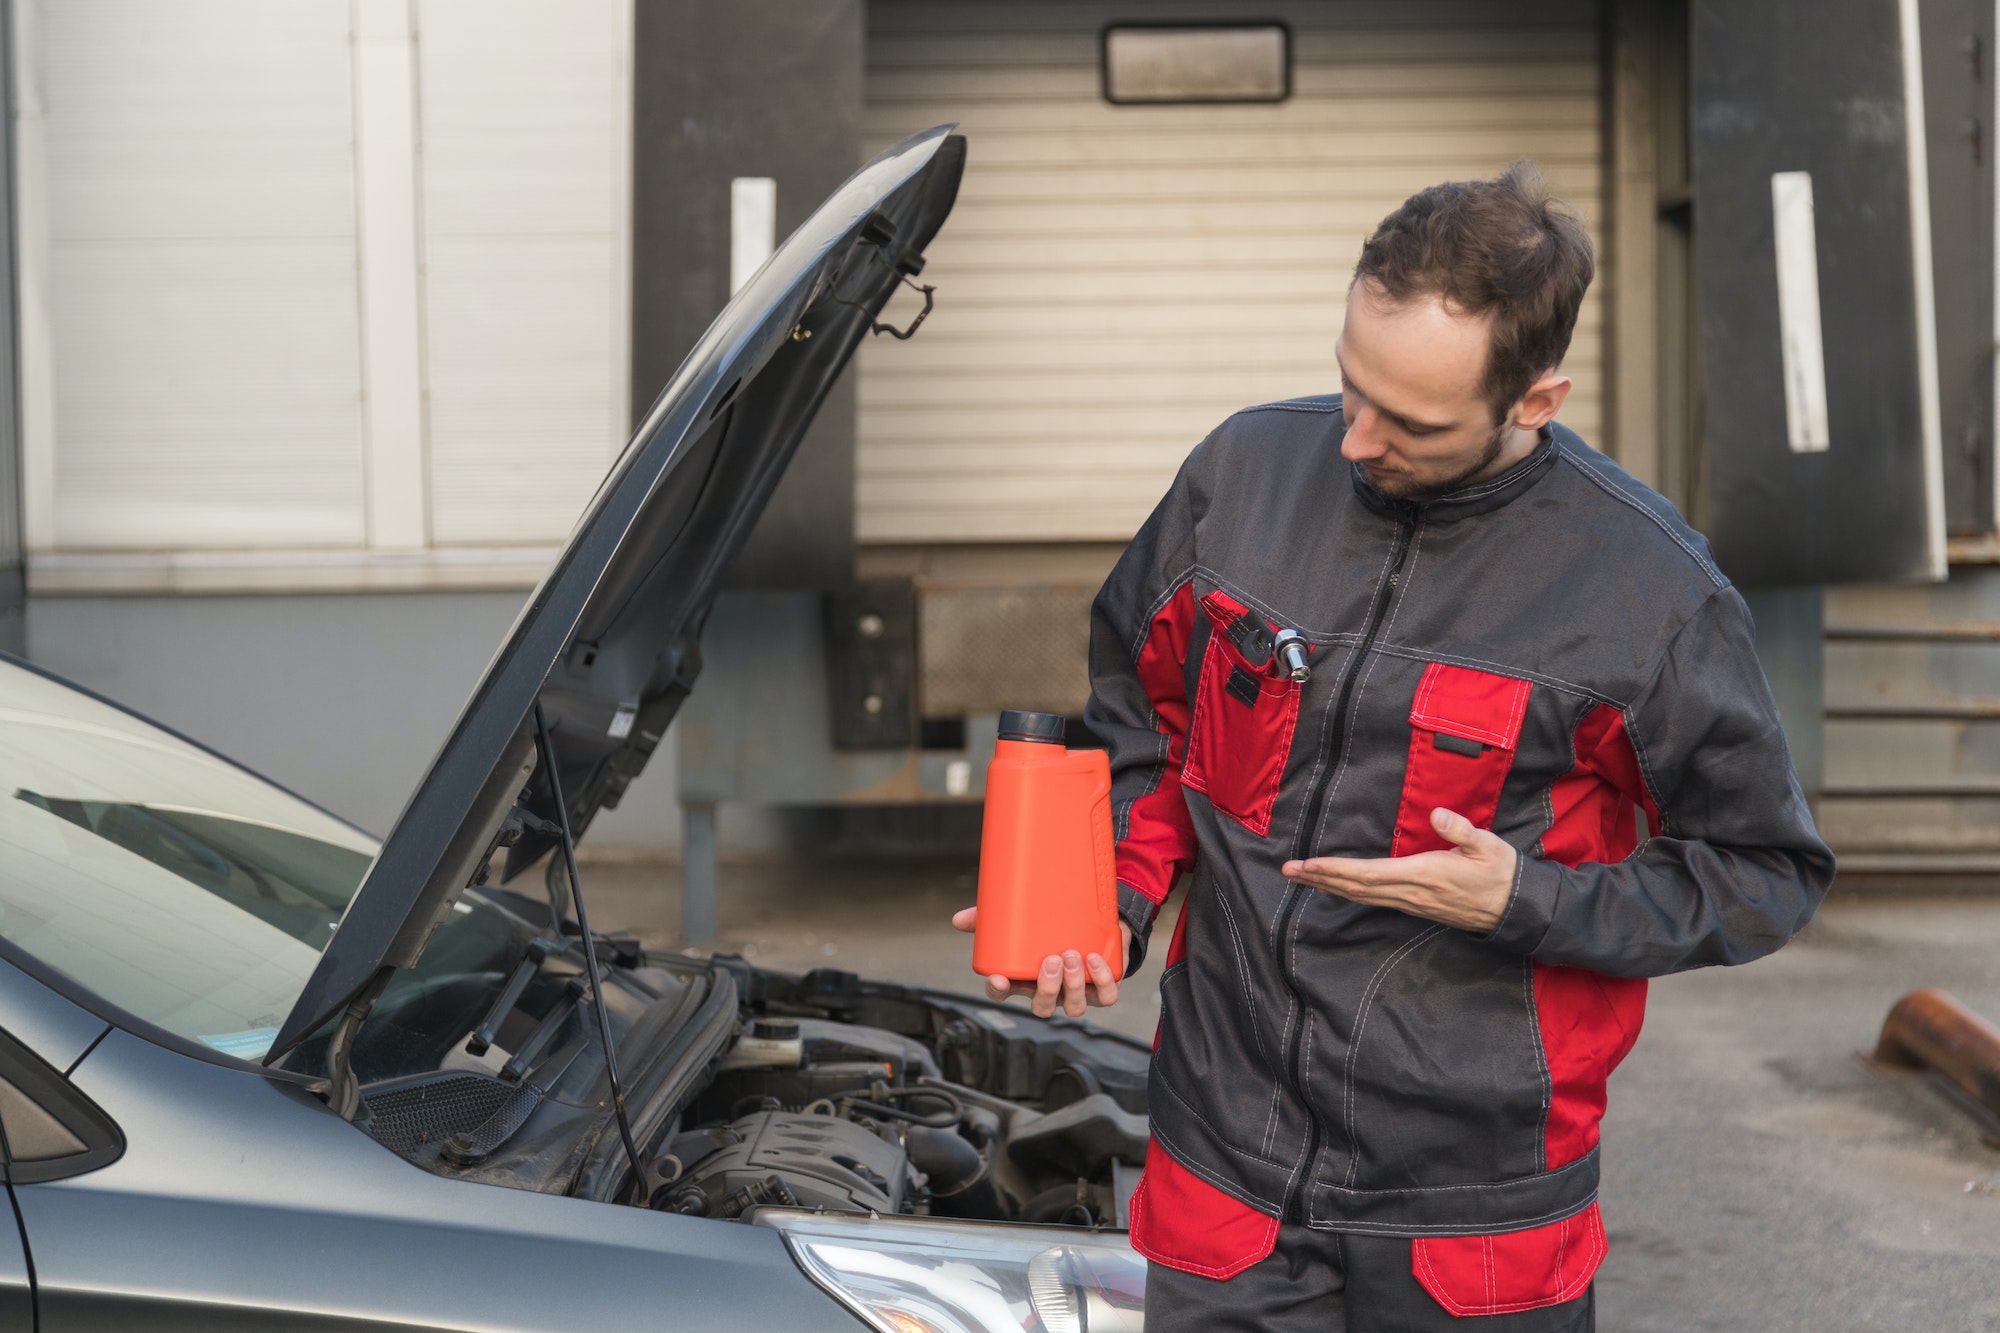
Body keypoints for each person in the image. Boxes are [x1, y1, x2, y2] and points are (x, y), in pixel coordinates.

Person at [955, 161, 1833, 1330]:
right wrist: (1107, 887)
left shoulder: (1648, 598)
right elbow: (1148, 720)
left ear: (1533, 402)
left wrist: (1526, 899)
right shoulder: (1240, 479)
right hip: (1224, 1157)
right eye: (1347, 386)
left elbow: (1762, 872)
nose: (1355, 441)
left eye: (1409, 421)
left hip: (1472, 1202)